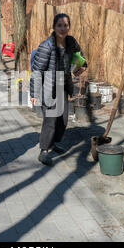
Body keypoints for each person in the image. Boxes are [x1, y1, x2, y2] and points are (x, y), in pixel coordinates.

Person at [30, 13, 87, 166]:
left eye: (66, 25)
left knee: (62, 120)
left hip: (63, 84)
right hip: (48, 86)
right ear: (54, 27)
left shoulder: (71, 41)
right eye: (59, 25)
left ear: (69, 27)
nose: (63, 28)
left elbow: (81, 57)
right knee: (50, 120)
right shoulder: (46, 46)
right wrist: (34, 93)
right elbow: (37, 71)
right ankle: (44, 150)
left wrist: (81, 66)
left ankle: (53, 144)